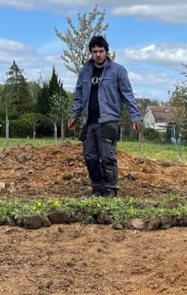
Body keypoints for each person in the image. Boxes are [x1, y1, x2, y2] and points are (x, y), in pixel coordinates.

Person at [68, 35, 141, 198]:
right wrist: (75, 114)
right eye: (94, 52)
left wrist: (135, 117)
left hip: (109, 121)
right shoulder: (85, 71)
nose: (98, 55)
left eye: (101, 51)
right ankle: (98, 188)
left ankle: (111, 189)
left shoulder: (118, 70)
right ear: (91, 53)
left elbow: (128, 95)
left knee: (107, 156)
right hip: (90, 121)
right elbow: (79, 95)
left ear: (107, 52)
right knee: (90, 156)